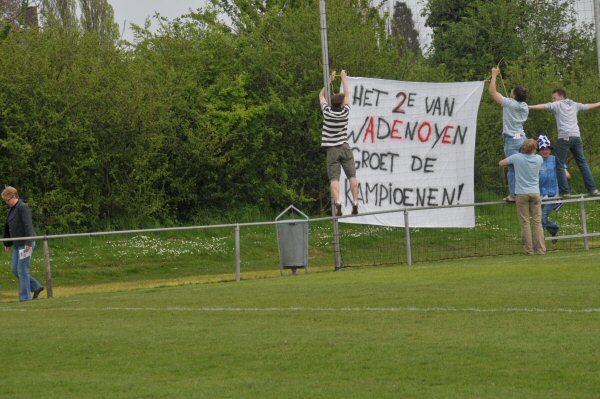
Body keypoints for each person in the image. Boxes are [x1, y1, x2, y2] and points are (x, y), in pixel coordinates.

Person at [529, 89, 600, 197]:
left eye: (554, 98)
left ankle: (565, 191)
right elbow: (587, 106)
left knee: (559, 164)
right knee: (582, 163)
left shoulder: (557, 104)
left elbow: (544, 106)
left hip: (564, 138)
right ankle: (593, 189)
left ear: (561, 96)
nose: (552, 100)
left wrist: (529, 107)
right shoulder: (575, 104)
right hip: (576, 137)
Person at [319, 69, 359, 216]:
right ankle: (355, 202)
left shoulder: (327, 112)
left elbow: (321, 95)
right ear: (342, 104)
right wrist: (343, 78)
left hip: (332, 150)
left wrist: (330, 79)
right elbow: (347, 95)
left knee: (334, 178)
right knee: (352, 176)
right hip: (344, 147)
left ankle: (338, 203)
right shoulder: (345, 112)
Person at [489, 66, 529, 203]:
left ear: (514, 95)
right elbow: (513, 104)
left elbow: (493, 92)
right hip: (523, 139)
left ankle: (513, 195)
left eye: (512, 91)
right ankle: (527, 192)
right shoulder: (524, 106)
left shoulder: (510, 104)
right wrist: (509, 100)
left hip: (512, 141)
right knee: (524, 167)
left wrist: (494, 75)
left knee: (512, 168)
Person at [499, 139, 545, 255]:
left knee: (525, 223)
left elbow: (501, 163)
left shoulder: (517, 157)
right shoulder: (539, 159)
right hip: (535, 193)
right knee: (537, 222)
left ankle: (529, 250)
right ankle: (541, 249)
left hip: (522, 194)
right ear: (535, 149)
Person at [2, 186, 44, 301]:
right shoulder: (12, 209)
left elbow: (28, 226)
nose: (6, 202)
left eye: (7, 199)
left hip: (26, 243)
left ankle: (25, 298)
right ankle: (36, 286)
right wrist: (7, 244)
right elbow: (8, 227)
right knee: (15, 270)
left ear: (13, 196)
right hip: (17, 245)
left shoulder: (22, 207)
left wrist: (28, 243)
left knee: (22, 270)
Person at [537, 134, 569, 242]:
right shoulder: (536, 160)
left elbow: (565, 172)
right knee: (539, 219)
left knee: (542, 219)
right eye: (542, 149)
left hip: (552, 194)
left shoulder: (555, 159)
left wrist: (565, 173)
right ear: (539, 151)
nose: (545, 151)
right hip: (540, 194)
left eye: (547, 149)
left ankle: (554, 228)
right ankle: (552, 232)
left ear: (550, 150)